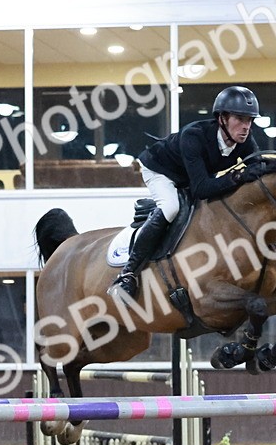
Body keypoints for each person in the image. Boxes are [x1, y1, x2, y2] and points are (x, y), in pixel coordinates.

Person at [107, 85, 262, 299]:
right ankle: (128, 274)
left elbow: (258, 167)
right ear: (222, 118)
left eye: (250, 120)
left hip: (189, 176)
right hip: (160, 170)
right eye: (240, 119)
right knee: (171, 208)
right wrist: (236, 177)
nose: (246, 126)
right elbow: (201, 188)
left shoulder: (244, 141)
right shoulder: (194, 136)